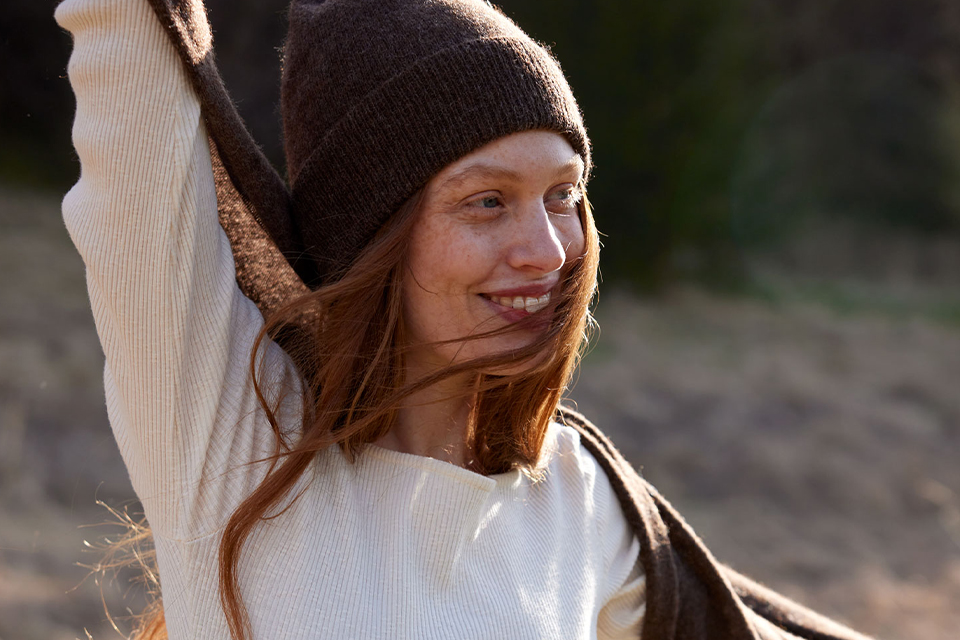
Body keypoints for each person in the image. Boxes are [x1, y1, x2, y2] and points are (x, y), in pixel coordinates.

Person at [56, 0, 873, 639]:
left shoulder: (578, 498)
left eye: (564, 195)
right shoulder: (232, 438)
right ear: (376, 233)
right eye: (488, 203)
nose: (549, 250)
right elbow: (131, 57)